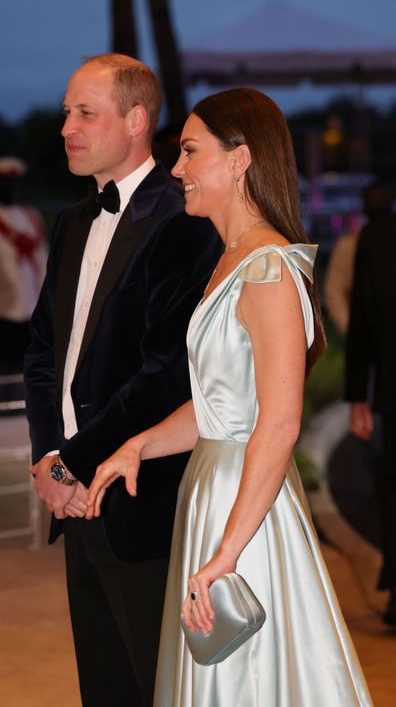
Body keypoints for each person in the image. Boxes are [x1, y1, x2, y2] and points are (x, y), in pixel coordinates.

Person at [87, 88, 373, 706]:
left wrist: (228, 552)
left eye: (190, 152)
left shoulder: (268, 267)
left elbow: (278, 423)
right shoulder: (233, 259)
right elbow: (219, 405)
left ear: (239, 159)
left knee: (249, 681)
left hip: (247, 507)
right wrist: (138, 444)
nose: (177, 168)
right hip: (214, 490)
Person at [23, 54, 221, 707]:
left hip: (145, 500)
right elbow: (44, 351)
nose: (66, 128)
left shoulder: (182, 219)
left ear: (135, 120)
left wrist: (72, 465)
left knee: (160, 685)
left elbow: (166, 374)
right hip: (75, 498)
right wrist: (49, 455)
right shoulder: (72, 221)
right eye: (65, 113)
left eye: (85, 112)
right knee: (103, 687)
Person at [345, 181, 396, 627]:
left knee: (392, 486)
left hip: (392, 387)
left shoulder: (375, 240)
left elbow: (362, 319)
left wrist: (358, 394)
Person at [0, 156, 47, 373]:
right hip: (5, 313)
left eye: (14, 182)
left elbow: (43, 255)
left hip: (34, 311)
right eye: (5, 183)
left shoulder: (31, 216)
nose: (11, 188)